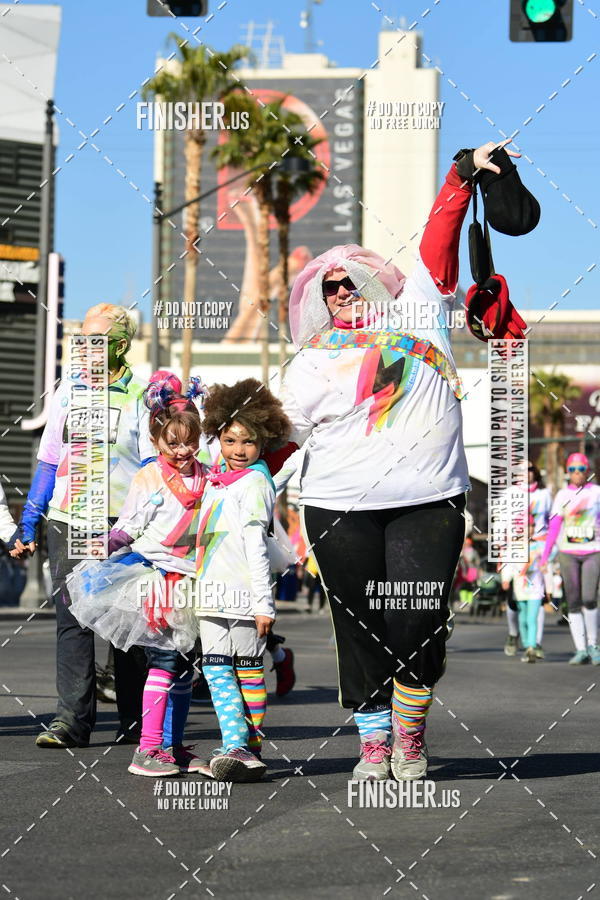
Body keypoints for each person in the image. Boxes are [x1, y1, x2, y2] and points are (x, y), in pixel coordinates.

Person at [279, 139, 522, 782]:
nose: (341, 294)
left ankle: (410, 734)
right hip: (337, 506)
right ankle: (374, 742)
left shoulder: (418, 306)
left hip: (427, 499)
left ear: (374, 285)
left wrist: (462, 172)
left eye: (351, 283)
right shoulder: (307, 362)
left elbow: (440, 236)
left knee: (416, 619)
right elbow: (276, 439)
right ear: (320, 301)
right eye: (330, 290)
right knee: (357, 625)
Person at [12, 304, 153, 749]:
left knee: (127, 622)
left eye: (97, 341)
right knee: (72, 620)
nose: (85, 350)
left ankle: (136, 721)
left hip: (124, 523)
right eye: (81, 341)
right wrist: (29, 521)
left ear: (121, 347)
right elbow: (50, 460)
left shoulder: (144, 396)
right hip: (70, 518)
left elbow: (152, 465)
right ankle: (72, 721)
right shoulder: (67, 392)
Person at [67, 372, 209, 776]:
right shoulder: (149, 476)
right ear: (156, 440)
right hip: (157, 579)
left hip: (193, 582)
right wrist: (104, 549)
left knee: (184, 667)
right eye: (173, 443)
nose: (182, 450)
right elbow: (129, 525)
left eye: (190, 441)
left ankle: (174, 745)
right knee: (163, 662)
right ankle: (148, 748)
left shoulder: (205, 474)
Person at [194, 379, 291, 782]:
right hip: (212, 591)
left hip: (241, 595)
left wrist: (263, 604)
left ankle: (239, 746)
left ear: (262, 443)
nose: (238, 450)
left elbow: (256, 544)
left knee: (239, 670)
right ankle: (245, 749)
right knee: (227, 669)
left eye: (248, 442)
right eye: (230, 440)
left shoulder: (253, 483)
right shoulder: (219, 477)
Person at [541, 453, 600, 665]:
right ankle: (581, 648)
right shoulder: (562, 495)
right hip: (568, 553)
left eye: (581, 469)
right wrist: (545, 556)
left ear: (587, 471)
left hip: (593, 551)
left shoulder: (596, 493)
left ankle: (594, 645)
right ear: (568, 472)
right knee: (573, 602)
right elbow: (554, 526)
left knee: (589, 599)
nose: (577, 473)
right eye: (573, 469)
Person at [504, 460, 552, 658]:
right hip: (514, 551)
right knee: (514, 605)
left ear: (535, 472)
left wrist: (549, 549)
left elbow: (551, 521)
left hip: (539, 551)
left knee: (536, 605)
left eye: (530, 469)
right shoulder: (509, 494)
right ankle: (514, 634)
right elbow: (501, 523)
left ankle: (534, 644)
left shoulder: (544, 494)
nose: (526, 473)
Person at [501, 518, 545, 663]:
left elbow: (547, 565)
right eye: (527, 526)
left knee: (532, 619)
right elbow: (507, 564)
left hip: (536, 588)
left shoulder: (539, 546)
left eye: (532, 525)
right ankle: (527, 644)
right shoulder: (513, 547)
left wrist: (549, 587)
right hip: (520, 588)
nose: (530, 528)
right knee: (523, 618)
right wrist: (506, 579)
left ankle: (531, 647)